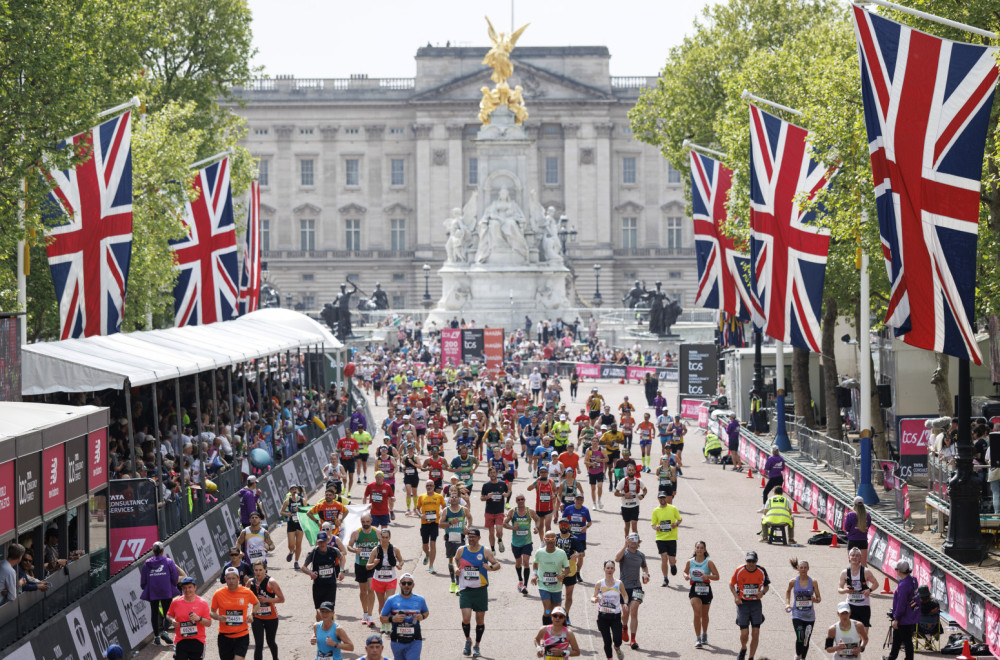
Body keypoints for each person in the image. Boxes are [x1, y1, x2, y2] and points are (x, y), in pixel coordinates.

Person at [455, 527, 502, 657]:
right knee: (466, 618)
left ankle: (476, 645)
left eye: (473, 537)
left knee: (480, 620)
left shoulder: (485, 551)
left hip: (480, 589)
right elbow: (455, 559)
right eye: (469, 537)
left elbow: (497, 564)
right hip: (465, 589)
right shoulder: (461, 550)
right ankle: (467, 641)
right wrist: (455, 568)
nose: (471, 539)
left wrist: (490, 568)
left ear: (479, 538)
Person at [210, 566, 259, 660]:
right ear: (225, 579)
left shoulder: (246, 592)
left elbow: (257, 603)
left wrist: (252, 614)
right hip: (224, 637)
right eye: (229, 578)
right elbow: (212, 612)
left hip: (242, 635)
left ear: (238, 578)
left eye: (233, 578)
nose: (231, 581)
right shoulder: (218, 593)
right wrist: (219, 617)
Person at [380, 572, 430, 660]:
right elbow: (382, 618)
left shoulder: (420, 599)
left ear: (413, 585)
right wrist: (392, 619)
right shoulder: (391, 600)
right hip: (397, 641)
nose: (406, 585)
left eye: (409, 583)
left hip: (415, 640)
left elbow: (426, 612)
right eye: (403, 583)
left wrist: (422, 616)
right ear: (400, 584)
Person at [730, 550, 769, 660]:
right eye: (749, 561)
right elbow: (731, 584)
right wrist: (736, 597)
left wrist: (762, 592)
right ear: (745, 560)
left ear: (757, 561)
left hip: (756, 603)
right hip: (743, 603)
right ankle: (743, 648)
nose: (751, 563)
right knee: (745, 633)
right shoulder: (739, 570)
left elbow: (766, 586)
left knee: (755, 632)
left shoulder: (762, 570)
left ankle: (751, 657)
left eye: (753, 561)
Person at [615, 534, 650, 650]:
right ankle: (624, 628)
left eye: (636, 540)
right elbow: (616, 559)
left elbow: (644, 567)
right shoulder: (624, 553)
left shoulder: (641, 555)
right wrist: (624, 546)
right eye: (631, 540)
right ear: (628, 541)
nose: (634, 542)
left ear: (638, 542)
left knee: (634, 610)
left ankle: (633, 640)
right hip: (624, 587)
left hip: (637, 587)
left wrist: (646, 574)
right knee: (625, 612)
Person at [367, 527, 404, 634]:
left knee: (388, 600)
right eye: (382, 537)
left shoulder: (395, 549)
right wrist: (374, 564)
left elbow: (401, 561)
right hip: (378, 579)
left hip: (390, 580)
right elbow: (367, 566)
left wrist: (399, 565)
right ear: (380, 538)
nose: (384, 539)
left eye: (386, 537)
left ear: (390, 538)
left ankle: (389, 623)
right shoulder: (376, 550)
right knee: (382, 604)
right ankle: (384, 624)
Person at [683, 541, 719, 649]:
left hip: (706, 589)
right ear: (695, 549)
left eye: (701, 548)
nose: (699, 550)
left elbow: (717, 576)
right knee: (697, 613)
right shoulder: (690, 562)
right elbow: (684, 571)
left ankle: (704, 634)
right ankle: (698, 638)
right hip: (695, 589)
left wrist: (707, 576)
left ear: (704, 550)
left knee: (704, 615)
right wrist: (685, 576)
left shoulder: (709, 562)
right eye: (697, 547)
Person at [166, 576, 212, 660]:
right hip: (180, 640)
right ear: (182, 589)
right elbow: (168, 615)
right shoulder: (176, 602)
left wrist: (199, 618)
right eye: (184, 588)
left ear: (195, 588)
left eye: (190, 587)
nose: (187, 590)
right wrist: (172, 620)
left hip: (198, 641)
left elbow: (209, 623)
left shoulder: (202, 603)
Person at [302, 531, 344, 621]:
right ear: (317, 542)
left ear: (328, 540)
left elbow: (342, 558)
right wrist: (311, 573)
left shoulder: (333, 551)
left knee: (330, 610)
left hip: (330, 585)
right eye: (320, 542)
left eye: (324, 541)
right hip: (318, 586)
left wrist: (342, 571)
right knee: (319, 611)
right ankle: (318, 631)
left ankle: (331, 630)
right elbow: (303, 567)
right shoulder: (314, 552)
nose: (322, 544)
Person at [785, 558, 821, 660]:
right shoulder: (793, 582)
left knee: (806, 639)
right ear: (798, 569)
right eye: (801, 567)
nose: (803, 569)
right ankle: (797, 655)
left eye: (805, 567)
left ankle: (803, 657)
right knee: (800, 637)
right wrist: (787, 604)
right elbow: (788, 592)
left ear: (808, 569)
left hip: (810, 616)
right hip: (797, 614)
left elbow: (819, 598)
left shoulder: (813, 582)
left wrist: (815, 600)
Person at [348, 513, 380, 626]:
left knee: (371, 589)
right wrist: (354, 550)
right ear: (361, 522)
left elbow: (383, 544)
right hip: (360, 564)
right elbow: (349, 546)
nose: (365, 524)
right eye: (363, 522)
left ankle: (370, 616)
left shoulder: (377, 532)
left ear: (371, 520)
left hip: (372, 565)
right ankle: (365, 613)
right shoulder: (356, 533)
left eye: (367, 522)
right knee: (363, 592)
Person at [531, 530, 570, 624]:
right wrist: (535, 574)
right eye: (548, 539)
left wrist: (563, 574)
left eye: (552, 538)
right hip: (543, 585)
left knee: (556, 609)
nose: (550, 541)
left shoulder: (561, 553)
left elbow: (567, 568)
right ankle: (546, 625)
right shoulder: (539, 552)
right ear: (544, 539)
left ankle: (558, 629)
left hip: (556, 587)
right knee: (548, 609)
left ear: (555, 539)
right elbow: (535, 563)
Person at [248, 562, 284, 660]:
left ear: (265, 569)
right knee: (259, 644)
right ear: (253, 570)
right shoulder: (250, 582)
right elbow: (244, 597)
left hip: (271, 617)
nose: (258, 572)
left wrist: (267, 600)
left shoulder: (271, 582)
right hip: (257, 616)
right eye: (256, 570)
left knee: (270, 642)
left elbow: (282, 599)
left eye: (260, 570)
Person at [441, 488, 474, 594]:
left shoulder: (463, 509)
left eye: (456, 497)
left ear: (459, 499)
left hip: (460, 538)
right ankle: (452, 583)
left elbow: (470, 518)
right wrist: (450, 523)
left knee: (459, 561)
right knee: (451, 561)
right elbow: (440, 524)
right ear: (449, 499)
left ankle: (459, 584)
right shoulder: (446, 510)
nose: (454, 498)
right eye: (452, 497)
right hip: (450, 539)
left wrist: (467, 528)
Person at [592, 560, 626, 660]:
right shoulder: (599, 583)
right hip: (603, 616)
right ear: (604, 569)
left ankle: (617, 647)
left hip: (615, 616)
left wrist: (625, 604)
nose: (609, 570)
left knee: (617, 639)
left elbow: (625, 595)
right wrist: (594, 600)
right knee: (607, 642)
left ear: (614, 570)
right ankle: (609, 658)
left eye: (611, 568)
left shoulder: (619, 583)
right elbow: (593, 597)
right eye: (608, 568)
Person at [837, 548, 878, 631]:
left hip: (864, 606)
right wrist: (845, 590)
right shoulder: (844, 573)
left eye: (857, 556)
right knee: (850, 631)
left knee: (864, 634)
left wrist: (869, 590)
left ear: (860, 558)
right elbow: (839, 589)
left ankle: (861, 644)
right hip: (850, 606)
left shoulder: (866, 572)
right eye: (852, 555)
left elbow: (876, 584)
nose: (854, 557)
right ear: (849, 557)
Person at [885, 560, 918, 660]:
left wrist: (897, 619)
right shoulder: (913, 580)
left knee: (907, 641)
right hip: (911, 614)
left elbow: (901, 604)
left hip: (903, 618)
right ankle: (891, 657)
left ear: (899, 571)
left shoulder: (903, 585)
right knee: (897, 638)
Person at [650, 490, 682, 586]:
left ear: (666, 498)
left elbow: (680, 519)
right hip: (660, 538)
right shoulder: (656, 511)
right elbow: (653, 524)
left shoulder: (673, 508)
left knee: (671, 559)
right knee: (664, 558)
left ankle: (672, 564)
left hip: (672, 537)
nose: (662, 499)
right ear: (658, 498)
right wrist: (657, 527)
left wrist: (675, 524)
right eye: (661, 497)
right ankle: (665, 578)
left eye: (664, 497)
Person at [554, 518, 582, 623]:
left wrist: (578, 554)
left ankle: (566, 614)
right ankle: (558, 615)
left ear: (569, 526)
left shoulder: (573, 539)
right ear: (559, 526)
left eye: (565, 525)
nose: (563, 527)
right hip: (557, 571)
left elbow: (582, 552)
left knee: (569, 595)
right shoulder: (555, 538)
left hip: (570, 571)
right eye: (561, 525)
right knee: (557, 594)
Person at [560, 493, 592, 579]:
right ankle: (569, 572)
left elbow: (589, 522)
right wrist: (566, 526)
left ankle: (577, 573)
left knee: (581, 555)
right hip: (570, 536)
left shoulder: (585, 510)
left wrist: (586, 527)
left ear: (583, 501)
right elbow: (563, 520)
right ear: (574, 500)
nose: (579, 501)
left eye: (581, 500)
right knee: (571, 555)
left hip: (581, 536)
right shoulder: (568, 509)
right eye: (577, 499)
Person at [417, 480, 445, 574]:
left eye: (431, 485)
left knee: (433, 543)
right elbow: (416, 509)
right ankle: (427, 554)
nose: (429, 487)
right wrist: (420, 514)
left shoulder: (439, 496)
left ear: (434, 486)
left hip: (434, 523)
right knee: (425, 546)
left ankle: (431, 566)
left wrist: (441, 512)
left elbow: (444, 507)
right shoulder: (421, 497)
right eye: (427, 485)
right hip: (424, 523)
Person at [480, 467, 509, 553]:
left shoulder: (503, 484)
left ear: (496, 473)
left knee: (499, 531)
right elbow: (481, 498)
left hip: (499, 511)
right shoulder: (486, 485)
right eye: (491, 473)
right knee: (491, 533)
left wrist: (506, 494)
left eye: (494, 472)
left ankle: (500, 540)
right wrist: (487, 497)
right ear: (489, 474)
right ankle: (492, 549)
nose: (492, 474)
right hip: (489, 512)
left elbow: (508, 492)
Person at [614, 463, 646, 537]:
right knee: (627, 525)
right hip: (625, 507)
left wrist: (642, 495)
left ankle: (636, 542)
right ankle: (627, 540)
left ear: (635, 471)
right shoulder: (623, 481)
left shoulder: (639, 481)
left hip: (635, 506)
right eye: (629, 470)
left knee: (634, 526)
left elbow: (645, 490)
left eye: (632, 470)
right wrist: (624, 495)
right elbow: (615, 493)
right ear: (627, 471)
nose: (631, 471)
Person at [280, 484, 306, 569]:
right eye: (292, 489)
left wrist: (301, 511)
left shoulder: (302, 500)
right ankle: (291, 551)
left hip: (300, 524)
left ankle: (296, 562)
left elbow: (306, 511)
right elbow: (281, 512)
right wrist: (287, 514)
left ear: (298, 491)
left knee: (298, 544)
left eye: (295, 489)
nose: (294, 490)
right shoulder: (288, 501)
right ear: (290, 491)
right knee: (291, 544)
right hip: (291, 524)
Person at [528, 465, 557, 534]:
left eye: (545, 472)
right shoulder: (537, 482)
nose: (543, 473)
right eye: (541, 472)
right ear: (539, 473)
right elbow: (528, 489)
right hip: (539, 508)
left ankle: (547, 541)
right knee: (541, 526)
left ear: (547, 473)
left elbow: (555, 490)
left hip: (549, 508)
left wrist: (554, 495)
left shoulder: (551, 482)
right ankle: (542, 542)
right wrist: (535, 481)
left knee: (548, 526)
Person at [843, 497, 871, 566]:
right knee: (864, 563)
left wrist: (847, 518)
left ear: (854, 504)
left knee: (853, 563)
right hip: (863, 540)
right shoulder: (867, 515)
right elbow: (868, 525)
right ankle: (865, 576)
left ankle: (853, 576)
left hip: (853, 541)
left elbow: (846, 528)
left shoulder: (850, 515)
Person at [584, 440, 608, 509]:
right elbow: (585, 461)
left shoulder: (602, 450)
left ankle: (599, 500)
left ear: (598, 442)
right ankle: (594, 503)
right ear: (591, 442)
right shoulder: (588, 450)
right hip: (592, 471)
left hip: (600, 471)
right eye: (593, 441)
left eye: (596, 441)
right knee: (593, 488)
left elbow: (607, 459)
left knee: (600, 486)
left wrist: (600, 460)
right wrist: (591, 464)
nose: (594, 443)